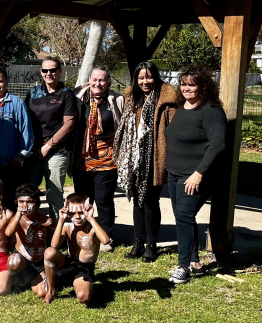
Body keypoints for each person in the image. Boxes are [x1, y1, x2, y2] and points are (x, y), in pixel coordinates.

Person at [164, 65, 226, 284]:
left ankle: (183, 267)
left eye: (191, 85)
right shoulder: (182, 108)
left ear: (203, 86)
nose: (186, 88)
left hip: (196, 176)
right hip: (174, 173)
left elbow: (217, 145)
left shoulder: (211, 111)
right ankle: (194, 262)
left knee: (183, 215)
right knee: (183, 218)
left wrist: (199, 173)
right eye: (183, 84)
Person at [114, 61, 178, 263]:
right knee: (137, 201)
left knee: (150, 201)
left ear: (156, 77)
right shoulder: (131, 98)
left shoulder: (166, 100)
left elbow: (173, 130)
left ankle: (151, 244)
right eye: (141, 78)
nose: (145, 81)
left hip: (154, 158)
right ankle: (138, 242)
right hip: (134, 158)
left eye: (149, 77)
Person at [73, 66, 125, 251]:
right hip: (81, 158)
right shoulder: (77, 97)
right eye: (94, 79)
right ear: (89, 79)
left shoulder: (117, 100)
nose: (97, 83)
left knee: (104, 200)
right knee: (82, 200)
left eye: (102, 80)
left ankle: (105, 237)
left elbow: (122, 127)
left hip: (107, 158)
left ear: (108, 81)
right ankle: (83, 233)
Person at [25, 55, 77, 220]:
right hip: (33, 151)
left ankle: (57, 230)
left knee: (54, 195)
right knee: (28, 194)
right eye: (45, 70)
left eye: (53, 70)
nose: (49, 73)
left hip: (57, 151)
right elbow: (25, 120)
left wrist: (48, 146)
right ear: (41, 72)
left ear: (59, 71)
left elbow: (68, 124)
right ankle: (30, 228)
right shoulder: (33, 93)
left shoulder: (66, 94)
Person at [43, 193, 110, 305]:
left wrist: (90, 218)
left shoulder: (92, 228)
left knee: (84, 297)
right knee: (49, 252)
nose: (77, 216)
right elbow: (54, 246)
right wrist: (61, 220)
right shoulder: (68, 226)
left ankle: (82, 282)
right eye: (73, 213)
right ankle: (51, 291)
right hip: (69, 262)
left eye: (81, 212)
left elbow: (106, 240)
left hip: (84, 267)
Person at [0, 66, 34, 212]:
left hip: (8, 162)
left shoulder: (16, 103)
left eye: (0, 81)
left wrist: (21, 155)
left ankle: (10, 227)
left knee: (8, 202)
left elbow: (26, 130)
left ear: (6, 82)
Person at [4, 183, 53, 296]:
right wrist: (18, 214)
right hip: (22, 259)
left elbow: (51, 241)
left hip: (39, 262)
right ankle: (15, 279)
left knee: (42, 292)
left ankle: (33, 279)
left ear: (37, 204)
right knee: (14, 261)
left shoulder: (46, 221)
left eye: (29, 202)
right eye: (21, 201)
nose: (25, 205)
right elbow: (8, 233)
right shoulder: (17, 220)